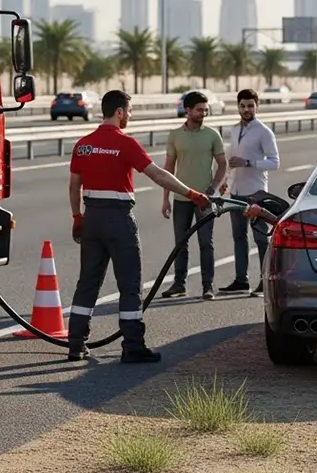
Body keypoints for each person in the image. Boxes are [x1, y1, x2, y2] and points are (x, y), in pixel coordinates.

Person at [67, 89, 211, 364]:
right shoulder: (126, 143)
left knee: (87, 283)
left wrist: (77, 217)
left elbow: (74, 185)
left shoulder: (82, 145)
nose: (129, 117)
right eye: (129, 112)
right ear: (119, 112)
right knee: (130, 284)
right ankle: (133, 345)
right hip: (119, 219)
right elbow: (157, 174)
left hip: (92, 217)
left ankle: (76, 344)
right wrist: (192, 194)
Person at [159, 90, 228, 301]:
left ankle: (208, 286)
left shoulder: (212, 134)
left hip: (204, 200)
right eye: (199, 110)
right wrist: (165, 199)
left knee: (206, 243)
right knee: (181, 243)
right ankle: (180, 284)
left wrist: (213, 188)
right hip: (181, 199)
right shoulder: (175, 135)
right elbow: (168, 170)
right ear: (187, 110)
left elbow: (222, 164)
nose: (203, 113)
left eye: (205, 110)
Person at [218, 88, 280, 297]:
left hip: (256, 193)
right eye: (243, 106)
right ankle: (240, 280)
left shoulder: (264, 132)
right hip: (236, 191)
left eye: (250, 106)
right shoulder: (234, 130)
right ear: (238, 107)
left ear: (257, 106)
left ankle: (265, 281)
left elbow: (275, 162)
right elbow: (231, 160)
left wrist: (249, 162)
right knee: (238, 237)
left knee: (261, 238)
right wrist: (225, 181)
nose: (246, 109)